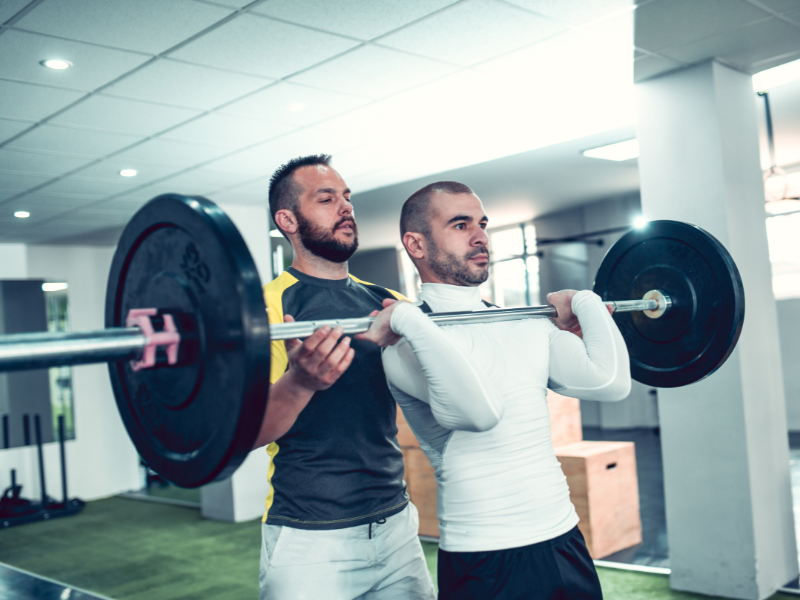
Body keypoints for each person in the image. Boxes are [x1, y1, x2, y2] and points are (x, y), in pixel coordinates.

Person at [368, 181, 631, 599]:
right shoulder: (403, 345)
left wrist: (584, 301)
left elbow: (610, 381)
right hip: (486, 554)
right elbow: (479, 412)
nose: (479, 237)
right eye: (459, 224)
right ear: (415, 244)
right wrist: (409, 318)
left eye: (482, 223)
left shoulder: (522, 321)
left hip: (563, 536)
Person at [252, 155, 435, 600]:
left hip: (395, 525)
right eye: (327, 198)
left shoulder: (389, 302)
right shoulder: (266, 310)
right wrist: (300, 383)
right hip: (309, 538)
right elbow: (249, 432)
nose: (346, 207)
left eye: (348, 197)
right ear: (287, 219)